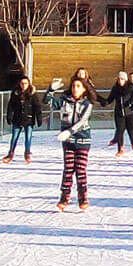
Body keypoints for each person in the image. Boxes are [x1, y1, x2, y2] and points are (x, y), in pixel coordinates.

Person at [56, 78, 94, 210]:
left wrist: (69, 132)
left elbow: (82, 121)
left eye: (78, 86)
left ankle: (83, 195)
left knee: (80, 169)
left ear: (84, 89)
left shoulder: (87, 104)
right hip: (68, 142)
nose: (75, 88)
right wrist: (50, 89)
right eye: (73, 86)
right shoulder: (65, 101)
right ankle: (64, 196)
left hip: (82, 140)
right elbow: (47, 102)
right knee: (68, 168)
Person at [104, 69, 133, 155]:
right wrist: (102, 101)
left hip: (129, 113)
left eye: (122, 79)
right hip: (119, 114)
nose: (120, 81)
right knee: (120, 131)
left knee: (131, 130)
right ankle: (120, 149)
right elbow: (109, 100)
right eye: (119, 79)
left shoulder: (130, 88)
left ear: (126, 80)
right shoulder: (115, 89)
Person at [4, 78, 43, 162]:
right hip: (17, 119)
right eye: (22, 83)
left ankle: (27, 153)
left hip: (28, 119)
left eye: (25, 83)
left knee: (28, 137)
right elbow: (11, 106)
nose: (24, 85)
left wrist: (39, 118)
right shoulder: (15, 93)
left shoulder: (32, 94)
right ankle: (10, 153)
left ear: (28, 84)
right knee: (14, 137)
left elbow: (37, 106)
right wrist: (9, 116)